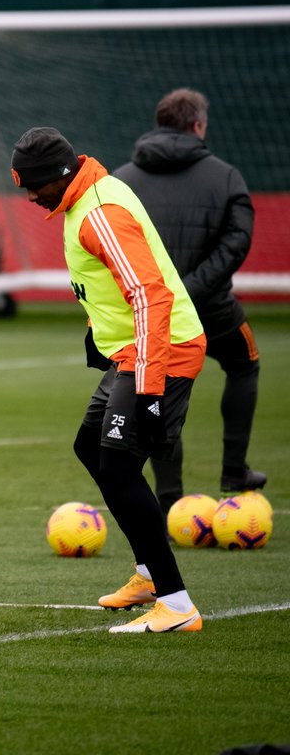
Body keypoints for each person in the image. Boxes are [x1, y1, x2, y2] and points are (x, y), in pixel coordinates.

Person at [11, 126, 205, 633]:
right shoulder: (85, 197)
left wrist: (150, 388)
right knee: (90, 448)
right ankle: (147, 575)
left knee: (118, 469)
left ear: (59, 175)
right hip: (132, 352)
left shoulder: (99, 214)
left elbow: (150, 297)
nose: (30, 196)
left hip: (161, 352)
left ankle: (178, 606)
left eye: (34, 185)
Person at [114, 88, 264, 512]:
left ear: (160, 123)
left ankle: (170, 500)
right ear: (198, 126)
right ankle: (235, 471)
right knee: (244, 363)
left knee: (156, 388)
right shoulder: (226, 175)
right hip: (211, 307)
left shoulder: (121, 180)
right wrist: (193, 288)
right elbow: (238, 239)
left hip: (147, 313)